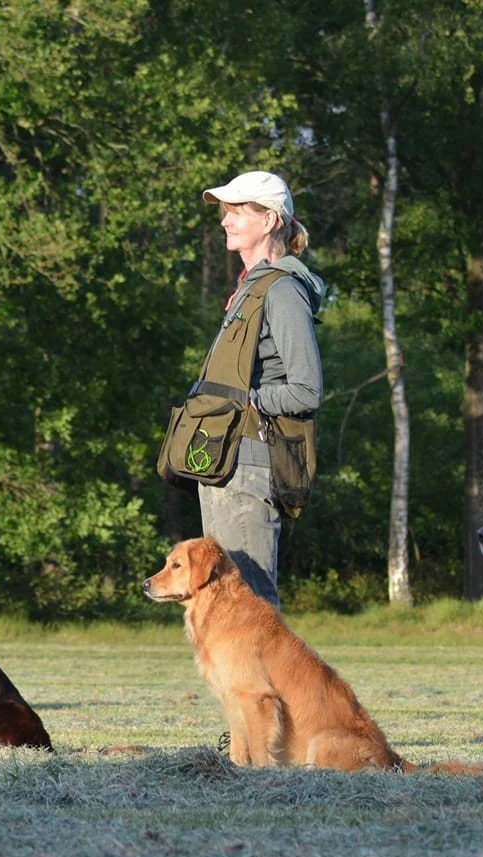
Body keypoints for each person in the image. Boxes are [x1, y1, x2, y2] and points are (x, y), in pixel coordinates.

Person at [190, 170, 325, 609]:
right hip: (223, 461)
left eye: (236, 211)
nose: (224, 221)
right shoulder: (252, 287)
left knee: (251, 606)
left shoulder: (282, 290)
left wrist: (249, 401)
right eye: (225, 212)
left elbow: (306, 390)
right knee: (223, 604)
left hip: (249, 463)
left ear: (269, 220)